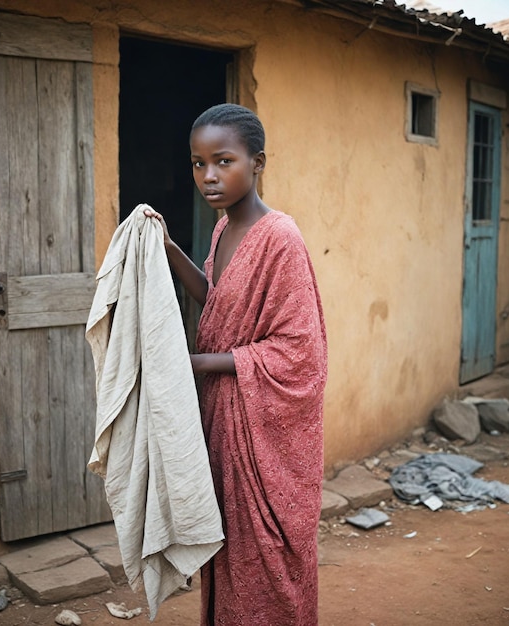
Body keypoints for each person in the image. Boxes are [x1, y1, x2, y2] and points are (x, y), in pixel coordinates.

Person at [144, 103, 327, 625]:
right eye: (198, 163)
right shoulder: (224, 231)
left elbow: (299, 352)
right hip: (224, 422)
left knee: (268, 559)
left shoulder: (280, 238)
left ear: (258, 162)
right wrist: (170, 247)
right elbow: (221, 302)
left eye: (223, 161)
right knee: (228, 550)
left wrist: (200, 363)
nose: (208, 176)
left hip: (263, 434)